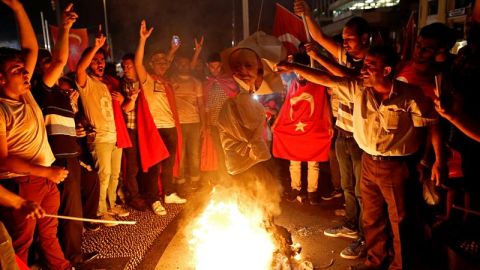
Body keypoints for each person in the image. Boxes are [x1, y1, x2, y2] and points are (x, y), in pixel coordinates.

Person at [277, 45, 441, 270]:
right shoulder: (358, 89)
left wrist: (431, 161)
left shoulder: (409, 95)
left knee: (400, 222)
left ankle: (401, 265)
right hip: (368, 162)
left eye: (370, 66)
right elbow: (327, 79)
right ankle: (375, 261)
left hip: (397, 166)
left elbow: (431, 126)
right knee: (372, 220)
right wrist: (291, 66)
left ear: (387, 70)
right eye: (364, 65)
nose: (364, 70)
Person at [294, 0, 369, 259]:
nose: (345, 42)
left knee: (362, 191)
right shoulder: (342, 55)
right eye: (344, 39)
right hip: (343, 130)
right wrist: (307, 14)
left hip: (363, 136)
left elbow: (335, 77)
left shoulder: (372, 63)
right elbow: (319, 36)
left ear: (365, 38)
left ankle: (364, 235)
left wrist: (310, 61)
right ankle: (351, 224)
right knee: (347, 186)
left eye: (350, 38)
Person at [0, 0, 70, 268]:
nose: (25, 72)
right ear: (1, 79)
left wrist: (18, 8)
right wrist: (45, 173)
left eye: (23, 68)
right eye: (16, 70)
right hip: (21, 183)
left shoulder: (25, 93)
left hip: (44, 179)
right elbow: (3, 160)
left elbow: (30, 48)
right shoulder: (1, 109)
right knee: (21, 244)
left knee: (49, 234)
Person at [76, 31, 130, 224]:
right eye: (95, 60)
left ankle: (111, 204)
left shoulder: (105, 84)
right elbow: (79, 70)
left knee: (114, 174)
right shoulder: (86, 83)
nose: (99, 64)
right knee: (103, 174)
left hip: (115, 136)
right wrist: (96, 47)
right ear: (88, 62)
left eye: (102, 60)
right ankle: (100, 211)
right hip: (99, 137)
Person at [135, 20, 186, 216]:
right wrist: (142, 40)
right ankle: (154, 199)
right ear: (151, 64)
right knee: (154, 166)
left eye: (165, 62)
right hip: (155, 128)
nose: (163, 64)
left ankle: (168, 193)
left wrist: (171, 51)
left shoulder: (165, 81)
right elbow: (138, 63)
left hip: (170, 127)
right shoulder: (147, 80)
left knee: (168, 164)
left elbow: (168, 61)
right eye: (158, 61)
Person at [272, 53, 332, 205]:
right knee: (295, 160)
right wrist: (277, 123)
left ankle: (312, 191)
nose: (299, 74)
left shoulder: (317, 84)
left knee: (313, 162)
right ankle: (296, 188)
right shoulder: (293, 84)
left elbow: (324, 104)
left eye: (302, 71)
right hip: (295, 129)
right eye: (296, 71)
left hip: (313, 127)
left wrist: (329, 123)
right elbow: (287, 105)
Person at [202, 52, 238, 183]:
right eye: (212, 67)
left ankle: (234, 178)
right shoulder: (207, 83)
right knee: (218, 151)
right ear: (208, 66)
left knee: (230, 151)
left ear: (221, 65)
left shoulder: (229, 81)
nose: (215, 70)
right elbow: (206, 107)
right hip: (214, 124)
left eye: (217, 67)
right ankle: (224, 179)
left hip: (229, 124)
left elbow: (235, 101)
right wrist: (207, 125)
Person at [171, 55, 205, 190]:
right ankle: (180, 182)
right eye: (181, 63)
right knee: (181, 154)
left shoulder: (196, 83)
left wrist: (203, 124)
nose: (184, 66)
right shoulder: (171, 81)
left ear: (190, 65)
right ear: (177, 65)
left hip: (194, 123)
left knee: (194, 153)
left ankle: (195, 180)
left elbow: (201, 104)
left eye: (186, 63)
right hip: (178, 124)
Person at [119, 53, 147, 211]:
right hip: (131, 129)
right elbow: (126, 108)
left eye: (129, 66)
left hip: (143, 129)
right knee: (132, 166)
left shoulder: (144, 81)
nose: (126, 69)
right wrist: (132, 99)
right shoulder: (125, 84)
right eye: (124, 67)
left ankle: (143, 192)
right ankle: (134, 197)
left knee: (145, 162)